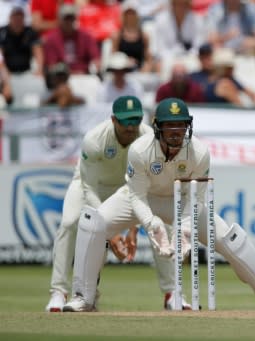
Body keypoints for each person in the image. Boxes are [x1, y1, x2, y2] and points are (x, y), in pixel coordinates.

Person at [62, 97, 255, 312]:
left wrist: (184, 230)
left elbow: (196, 199)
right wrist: (152, 225)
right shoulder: (140, 150)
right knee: (92, 223)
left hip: (183, 201)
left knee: (229, 237)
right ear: (158, 127)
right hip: (142, 198)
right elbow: (137, 196)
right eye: (170, 125)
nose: (176, 131)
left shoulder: (199, 152)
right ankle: (84, 296)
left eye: (181, 125)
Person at [45, 95, 182, 312]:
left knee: (159, 224)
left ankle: (171, 292)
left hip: (128, 190)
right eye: (125, 121)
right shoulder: (94, 139)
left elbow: (144, 187)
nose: (131, 127)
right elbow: (89, 189)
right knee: (70, 223)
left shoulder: (150, 138)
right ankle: (59, 292)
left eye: (135, 120)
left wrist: (133, 229)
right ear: (113, 120)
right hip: (90, 186)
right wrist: (112, 234)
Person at [43, 4, 101, 75]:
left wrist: (94, 68)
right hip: (61, 77)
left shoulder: (86, 37)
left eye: (71, 19)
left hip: (84, 75)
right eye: (66, 19)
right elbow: (51, 65)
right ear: (60, 20)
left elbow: (96, 58)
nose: (69, 22)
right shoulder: (52, 39)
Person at [0, 6, 44, 76]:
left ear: (23, 19)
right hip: (6, 71)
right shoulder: (3, 32)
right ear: (10, 18)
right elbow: (0, 54)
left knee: (39, 81)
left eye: (20, 18)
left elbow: (38, 51)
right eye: (15, 17)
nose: (17, 20)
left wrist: (39, 69)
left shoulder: (30, 32)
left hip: (26, 71)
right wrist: (4, 73)